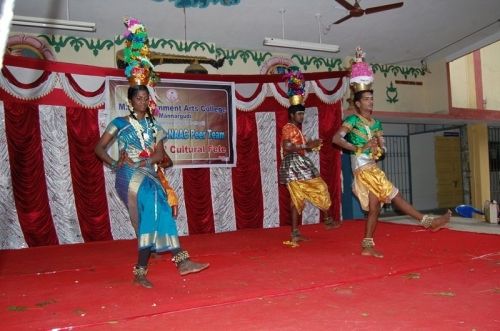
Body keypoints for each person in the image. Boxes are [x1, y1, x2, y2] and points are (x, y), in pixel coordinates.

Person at [94, 18, 208, 288]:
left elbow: (160, 156)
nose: (144, 101)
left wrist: (147, 158)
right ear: (131, 100)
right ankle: (178, 261)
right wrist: (113, 163)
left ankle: (144, 271)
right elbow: (98, 148)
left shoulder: (156, 126)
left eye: (147, 98)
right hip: (127, 175)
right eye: (139, 98)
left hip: (148, 172)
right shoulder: (119, 123)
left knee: (160, 210)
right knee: (156, 208)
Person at [331, 47, 450, 258]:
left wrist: (380, 149)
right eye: (366, 99)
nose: (370, 101)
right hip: (362, 168)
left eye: (371, 98)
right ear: (357, 103)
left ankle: (367, 245)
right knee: (395, 194)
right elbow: (336, 139)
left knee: (375, 207)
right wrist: (359, 148)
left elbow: (381, 143)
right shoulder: (352, 120)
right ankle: (427, 222)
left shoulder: (376, 122)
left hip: (372, 165)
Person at [279, 68, 341, 245]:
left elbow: (296, 146)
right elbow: (287, 146)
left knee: (300, 197)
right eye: (299, 113)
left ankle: (297, 232)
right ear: (292, 114)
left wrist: (311, 146)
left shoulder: (296, 129)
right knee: (314, 190)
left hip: (297, 162)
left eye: (303, 113)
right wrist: (307, 145)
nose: (302, 116)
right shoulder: (288, 127)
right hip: (294, 164)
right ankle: (321, 222)